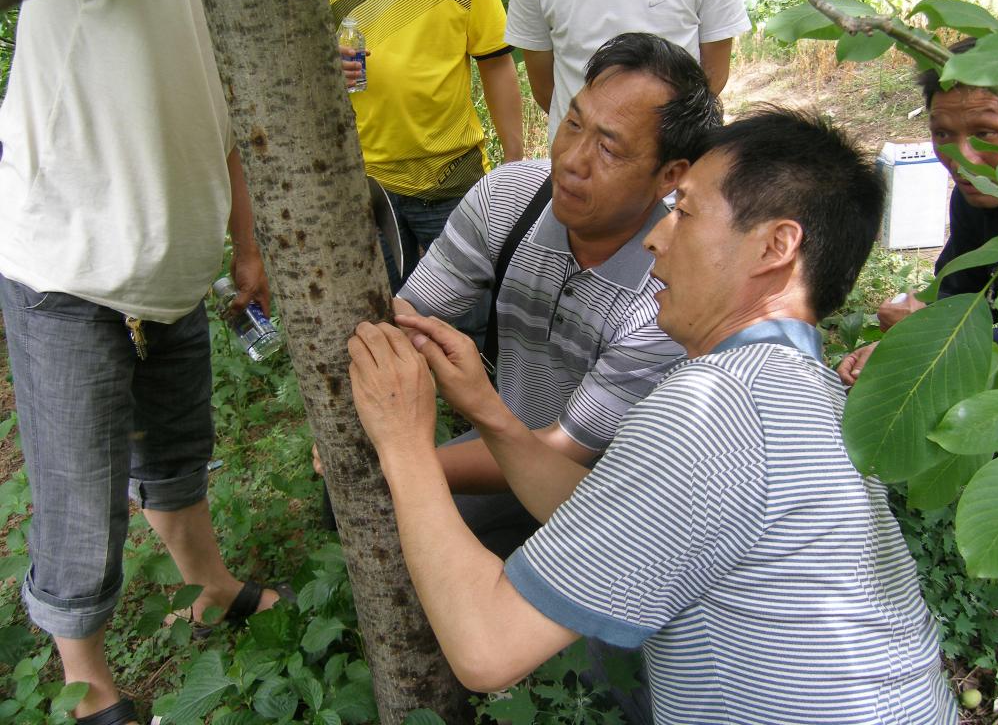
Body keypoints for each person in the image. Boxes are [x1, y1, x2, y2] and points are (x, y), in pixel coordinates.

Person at [347, 107, 958, 724]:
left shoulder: (712, 408)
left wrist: (402, 442)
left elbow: (486, 646)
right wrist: (489, 412)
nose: (656, 237)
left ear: (775, 246)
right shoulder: (810, 390)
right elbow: (621, 515)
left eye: (685, 213)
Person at [0, 0, 285, 723]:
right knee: (81, 493)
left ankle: (211, 589)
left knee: (176, 450)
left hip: (169, 267)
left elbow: (223, 120)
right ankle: (89, 689)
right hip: (72, 267)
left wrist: (246, 245)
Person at [393, 33, 721, 560]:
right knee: (375, 517)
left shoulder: (668, 296)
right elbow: (409, 315)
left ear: (671, 176)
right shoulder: (508, 199)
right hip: (502, 442)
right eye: (573, 123)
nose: (571, 159)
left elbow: (565, 449)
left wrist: (401, 462)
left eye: (609, 148)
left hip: (604, 491)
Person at [324, 0, 524, 291]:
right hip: (363, 180)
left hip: (451, 176)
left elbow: (496, 63)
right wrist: (323, 63)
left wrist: (514, 163)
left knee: (464, 310)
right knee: (381, 310)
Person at [838, 37, 998, 385]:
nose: (961, 160)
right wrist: (912, 334)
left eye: (985, 133)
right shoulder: (975, 198)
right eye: (943, 134)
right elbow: (960, 294)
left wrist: (931, 340)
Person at [504, 0, 750, 144]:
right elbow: (544, 88)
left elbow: (714, 73)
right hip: (579, 164)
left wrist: (659, 139)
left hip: (676, 158)